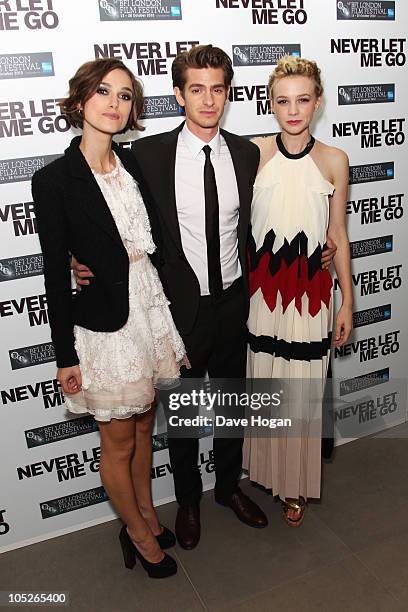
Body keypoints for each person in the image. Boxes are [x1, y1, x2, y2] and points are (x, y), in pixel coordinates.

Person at [74, 46, 337, 548]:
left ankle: (228, 489)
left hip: (239, 301)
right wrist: (77, 255)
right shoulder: (147, 155)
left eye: (218, 88)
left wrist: (321, 251)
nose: (208, 99)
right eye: (196, 88)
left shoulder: (247, 152)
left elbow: (291, 198)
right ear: (179, 95)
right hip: (181, 311)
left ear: (229, 94)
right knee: (187, 417)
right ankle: (189, 500)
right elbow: (90, 185)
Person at [32, 58, 188, 578]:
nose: (114, 104)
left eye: (125, 95)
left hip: (147, 307)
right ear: (79, 101)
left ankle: (144, 512)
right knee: (118, 440)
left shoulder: (133, 163)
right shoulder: (53, 180)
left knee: (145, 428)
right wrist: (63, 356)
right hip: (104, 326)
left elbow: (154, 240)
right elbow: (55, 272)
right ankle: (141, 537)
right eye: (103, 92)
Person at [244, 55, 353, 526]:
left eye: (303, 100)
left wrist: (348, 297)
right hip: (262, 296)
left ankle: (295, 486)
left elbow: (339, 235)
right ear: (270, 104)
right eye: (283, 100)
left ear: (318, 103)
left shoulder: (334, 160)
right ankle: (268, 473)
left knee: (304, 396)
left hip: (311, 297)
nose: (293, 110)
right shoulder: (253, 153)